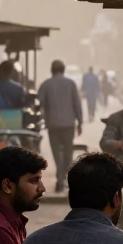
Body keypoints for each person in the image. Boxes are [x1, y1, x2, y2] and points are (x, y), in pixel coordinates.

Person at [37, 60, 83, 193]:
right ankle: (63, 177)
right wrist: (79, 122)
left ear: (52, 70)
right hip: (69, 124)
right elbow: (77, 104)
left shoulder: (46, 84)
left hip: (53, 124)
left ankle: (60, 179)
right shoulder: (71, 84)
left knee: (57, 153)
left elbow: (39, 102)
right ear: (63, 70)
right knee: (68, 152)